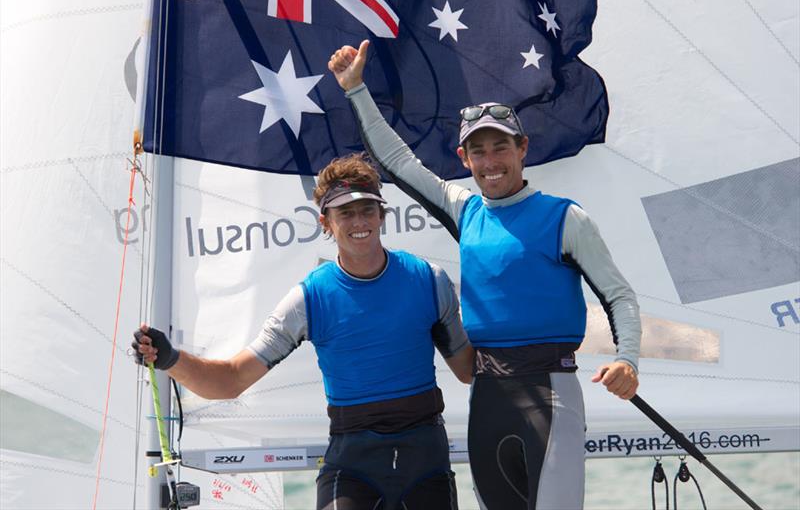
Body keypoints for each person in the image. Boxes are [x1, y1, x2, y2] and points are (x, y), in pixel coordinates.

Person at [328, 41, 643, 510]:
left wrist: (629, 360)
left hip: (552, 391)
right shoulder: (465, 210)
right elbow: (398, 163)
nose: (491, 161)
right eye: (479, 151)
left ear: (522, 149)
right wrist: (355, 89)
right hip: (489, 394)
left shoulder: (565, 218)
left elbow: (618, 296)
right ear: (464, 158)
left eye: (501, 147)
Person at [132, 153, 474, 510]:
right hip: (355, 471)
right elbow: (230, 380)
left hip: (425, 467)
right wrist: (168, 358)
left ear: (382, 215)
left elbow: (468, 370)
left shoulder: (429, 281)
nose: (359, 221)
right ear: (325, 221)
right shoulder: (309, 299)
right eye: (345, 213)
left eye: (367, 210)